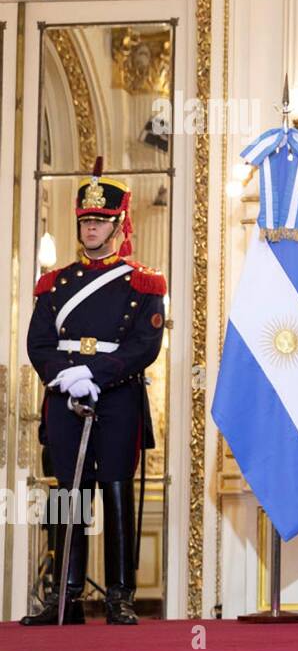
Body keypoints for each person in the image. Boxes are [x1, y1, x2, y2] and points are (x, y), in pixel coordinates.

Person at [21, 159, 166, 626]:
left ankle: (119, 596)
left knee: (116, 490)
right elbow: (38, 342)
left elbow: (145, 344)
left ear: (118, 223)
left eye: (100, 221)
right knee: (70, 493)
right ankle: (65, 596)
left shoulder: (143, 282)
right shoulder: (54, 283)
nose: (91, 228)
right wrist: (66, 374)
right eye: (85, 221)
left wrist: (96, 374)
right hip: (65, 395)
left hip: (117, 396)